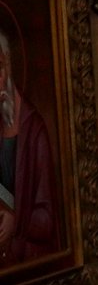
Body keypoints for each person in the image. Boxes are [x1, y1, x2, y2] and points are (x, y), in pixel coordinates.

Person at [0, 20, 60, 268]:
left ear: (9, 66)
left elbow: (48, 220)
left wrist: (17, 222)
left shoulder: (34, 130)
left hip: (27, 260)